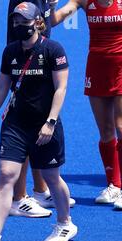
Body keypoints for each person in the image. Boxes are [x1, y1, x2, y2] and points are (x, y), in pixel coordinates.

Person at [0, 2, 78, 241]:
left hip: (44, 125)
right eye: (16, 21)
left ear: (38, 21)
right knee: (6, 174)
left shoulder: (53, 49)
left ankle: (65, 223)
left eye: (24, 21)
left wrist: (50, 122)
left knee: (51, 177)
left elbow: (61, 88)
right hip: (16, 123)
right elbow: (1, 86)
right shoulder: (10, 52)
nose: (19, 26)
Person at [6, 0, 76, 218]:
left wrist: (53, 7)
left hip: (43, 62)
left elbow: (50, 22)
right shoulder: (25, 4)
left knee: (38, 130)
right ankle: (18, 197)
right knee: (25, 131)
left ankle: (39, 190)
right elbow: (20, 34)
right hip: (26, 64)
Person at [51, 0, 122, 209]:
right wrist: (52, 6)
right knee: (106, 130)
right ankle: (114, 185)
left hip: (121, 65)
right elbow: (55, 20)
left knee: (120, 126)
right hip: (97, 67)